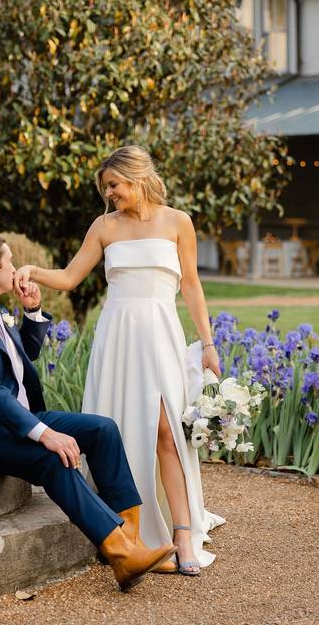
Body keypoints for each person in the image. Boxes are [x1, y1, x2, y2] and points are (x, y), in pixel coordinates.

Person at [14, 145, 225, 576]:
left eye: (114, 185)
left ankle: (182, 534)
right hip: (118, 337)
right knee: (121, 431)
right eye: (106, 188)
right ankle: (127, 534)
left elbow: (192, 287)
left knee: (167, 431)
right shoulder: (104, 227)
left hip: (161, 334)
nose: (109, 194)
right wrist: (33, 272)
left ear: (137, 177)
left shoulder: (178, 222)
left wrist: (207, 343)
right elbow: (71, 278)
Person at [0, 233, 176, 592]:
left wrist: (31, 312)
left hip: (18, 420)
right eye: (9, 262)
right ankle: (122, 555)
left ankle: (129, 541)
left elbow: (20, 360)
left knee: (103, 430)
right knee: (52, 458)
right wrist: (45, 433)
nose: (15, 268)